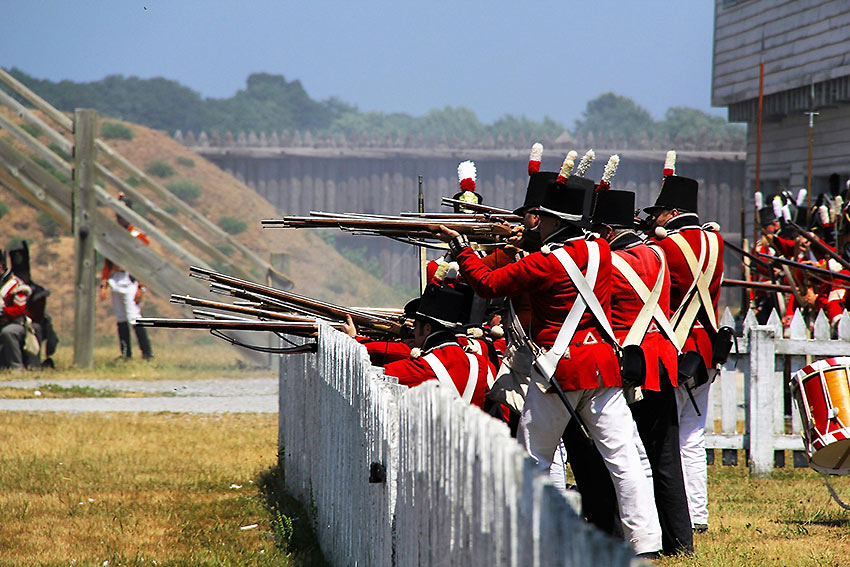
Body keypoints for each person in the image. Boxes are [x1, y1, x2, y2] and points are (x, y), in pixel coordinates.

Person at [438, 174, 663, 557]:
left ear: (547, 220)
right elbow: (563, 256)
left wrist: (462, 248)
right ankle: (646, 543)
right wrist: (527, 241)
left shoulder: (546, 262)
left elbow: (487, 284)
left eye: (536, 218)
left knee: (534, 458)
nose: (531, 222)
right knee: (625, 458)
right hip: (603, 366)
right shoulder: (601, 252)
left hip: (560, 371)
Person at [593, 188, 693, 554]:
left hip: (629, 366)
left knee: (619, 457)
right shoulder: (659, 254)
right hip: (662, 361)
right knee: (665, 457)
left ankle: (622, 537)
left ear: (605, 229)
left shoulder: (609, 262)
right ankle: (680, 541)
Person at [645, 173, 724, 534]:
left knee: (667, 437)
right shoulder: (715, 241)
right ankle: (698, 514)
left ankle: (675, 517)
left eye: (659, 212)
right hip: (706, 348)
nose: (656, 218)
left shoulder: (664, 246)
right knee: (693, 434)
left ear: (672, 212)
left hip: (675, 347)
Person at [348, 283, 494, 409]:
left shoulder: (422, 366)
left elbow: (369, 376)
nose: (413, 333)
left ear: (427, 329)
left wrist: (352, 341)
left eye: (416, 326)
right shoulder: (479, 362)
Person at [100, 196, 154, 360]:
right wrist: (104, 283)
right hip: (116, 278)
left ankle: (147, 354)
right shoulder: (113, 235)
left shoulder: (138, 236)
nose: (119, 218)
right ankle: (125, 354)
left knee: (134, 317)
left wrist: (142, 287)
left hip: (130, 280)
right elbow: (108, 260)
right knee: (121, 318)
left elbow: (145, 263)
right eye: (118, 215)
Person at [0, 266, 34, 370]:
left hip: (16, 323)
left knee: (8, 332)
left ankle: (17, 367)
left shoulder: (16, 285)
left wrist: (3, 310)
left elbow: (18, 311)